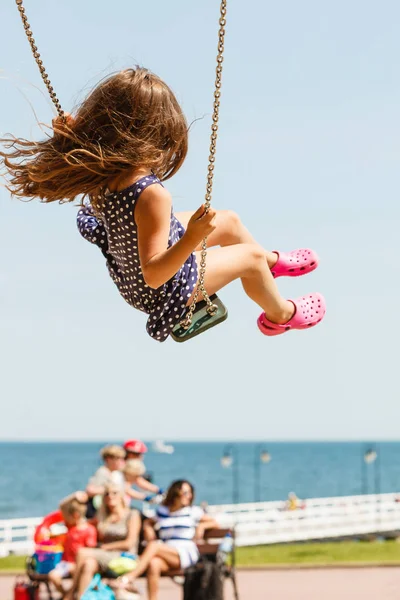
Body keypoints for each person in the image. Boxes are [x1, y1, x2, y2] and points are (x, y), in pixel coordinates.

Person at [0, 67, 326, 341]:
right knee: (249, 258)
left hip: (130, 272)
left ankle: (270, 266)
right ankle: (280, 314)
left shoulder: (102, 162)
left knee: (228, 221)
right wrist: (193, 238)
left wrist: (67, 137)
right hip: (163, 289)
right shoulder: (152, 194)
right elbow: (156, 273)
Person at [112, 480, 218, 600]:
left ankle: (129, 577)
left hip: (185, 552)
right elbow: (149, 521)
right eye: (185, 493)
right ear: (175, 493)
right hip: (167, 551)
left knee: (154, 545)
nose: (188, 496)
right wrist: (148, 528)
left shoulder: (192, 511)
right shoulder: (163, 511)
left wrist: (201, 526)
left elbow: (214, 522)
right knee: (154, 564)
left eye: (190, 493)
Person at [64, 483, 141, 600]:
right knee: (88, 564)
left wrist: (105, 547)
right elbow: (68, 513)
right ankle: (81, 597)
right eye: (107, 494)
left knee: (82, 553)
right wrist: (76, 496)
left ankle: (70, 593)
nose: (110, 496)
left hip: (124, 557)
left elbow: (129, 543)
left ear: (122, 496)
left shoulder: (131, 514)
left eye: (114, 493)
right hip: (105, 557)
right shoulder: (102, 517)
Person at [47, 491, 97, 595]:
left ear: (76, 515)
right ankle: (67, 595)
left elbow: (91, 549)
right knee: (53, 575)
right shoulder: (70, 526)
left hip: (79, 563)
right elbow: (62, 505)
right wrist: (74, 496)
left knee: (80, 575)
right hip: (65, 563)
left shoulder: (89, 529)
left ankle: (74, 594)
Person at [86, 445, 126, 517]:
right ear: (108, 459)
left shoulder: (116, 473)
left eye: (122, 459)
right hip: (102, 510)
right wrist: (108, 490)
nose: (121, 462)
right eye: (118, 458)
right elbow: (90, 490)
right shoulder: (103, 472)